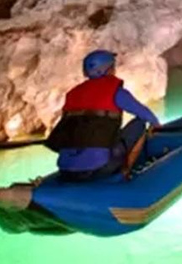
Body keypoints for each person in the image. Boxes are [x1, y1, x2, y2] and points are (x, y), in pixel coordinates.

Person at [45, 50, 161, 182]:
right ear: (108, 70)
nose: (114, 69)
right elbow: (145, 114)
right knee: (140, 123)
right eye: (112, 66)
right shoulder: (116, 92)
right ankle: (125, 173)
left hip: (65, 169)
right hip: (100, 168)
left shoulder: (72, 94)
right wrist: (157, 126)